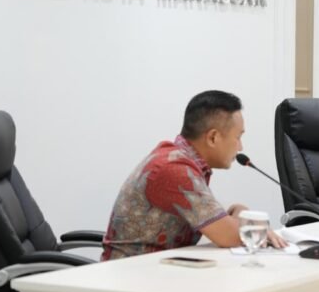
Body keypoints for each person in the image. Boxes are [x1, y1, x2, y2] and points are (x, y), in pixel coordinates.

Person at [101, 90, 286, 261]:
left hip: (158, 271)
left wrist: (238, 214)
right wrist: (252, 225)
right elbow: (228, 235)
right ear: (213, 137)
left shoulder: (180, 159)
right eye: (238, 137)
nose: (240, 147)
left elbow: (218, 222)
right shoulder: (174, 169)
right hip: (131, 279)